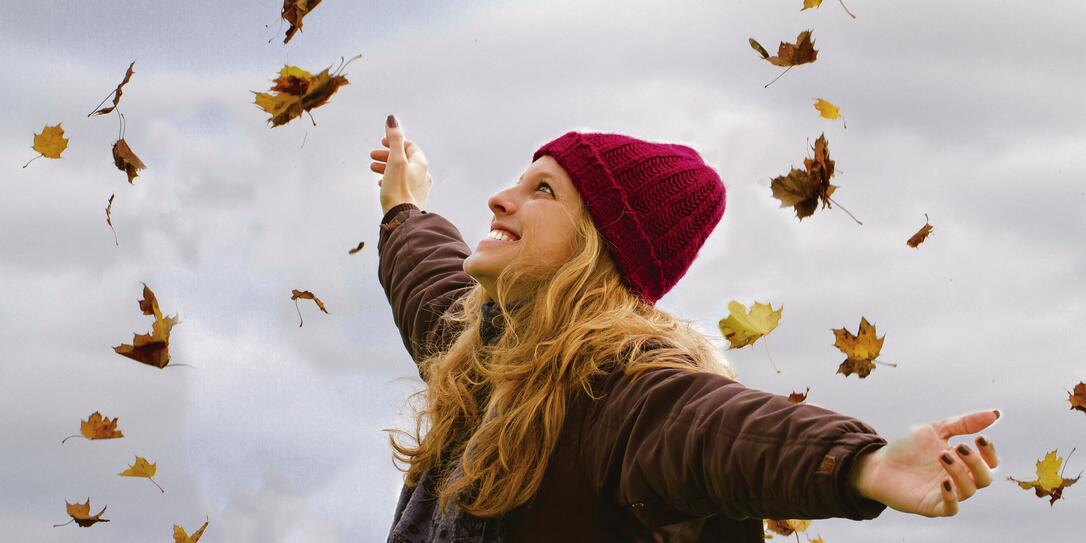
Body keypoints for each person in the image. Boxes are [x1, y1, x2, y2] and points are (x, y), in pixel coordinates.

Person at [371, 114, 1001, 542]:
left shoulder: (619, 395)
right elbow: (427, 280)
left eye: (543, 190)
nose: (499, 199)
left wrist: (857, 464)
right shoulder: (484, 353)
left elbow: (718, 432)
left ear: (598, 250)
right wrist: (405, 206)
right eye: (518, 179)